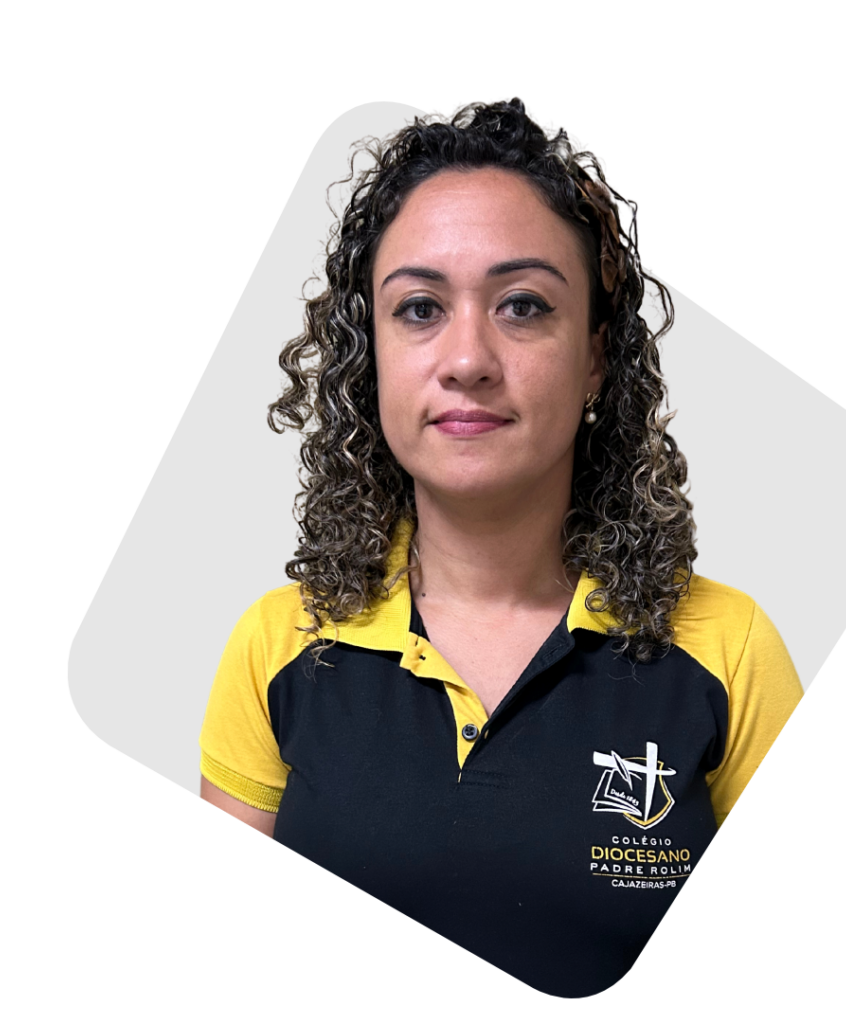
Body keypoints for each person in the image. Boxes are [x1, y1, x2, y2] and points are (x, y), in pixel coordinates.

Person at [199, 97, 803, 998]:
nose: (467, 359)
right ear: (370, 356)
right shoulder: (277, 646)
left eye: (523, 305)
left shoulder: (729, 648)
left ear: (596, 356)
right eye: (419, 309)